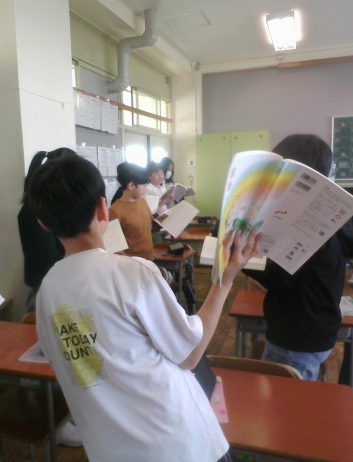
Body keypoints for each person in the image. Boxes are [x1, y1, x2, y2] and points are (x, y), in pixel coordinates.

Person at [27, 154, 260, 462]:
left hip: (110, 452)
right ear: (102, 208)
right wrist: (226, 279)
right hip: (178, 446)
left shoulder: (46, 291)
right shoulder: (132, 274)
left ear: (43, 223)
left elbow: (81, 366)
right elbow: (190, 354)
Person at [243, 134, 353, 381]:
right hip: (316, 326)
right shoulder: (326, 213)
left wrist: (240, 258)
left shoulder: (308, 222)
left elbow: (279, 279)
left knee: (283, 401)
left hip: (296, 336)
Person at [17, 149, 76, 310]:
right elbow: (47, 259)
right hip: (47, 289)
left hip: (56, 285)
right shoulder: (35, 210)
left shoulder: (52, 205)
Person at [109, 162, 157, 260]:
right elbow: (113, 247)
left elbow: (150, 226)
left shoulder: (143, 202)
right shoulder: (115, 211)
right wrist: (132, 262)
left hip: (150, 258)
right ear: (131, 186)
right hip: (132, 263)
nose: (146, 188)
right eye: (143, 185)